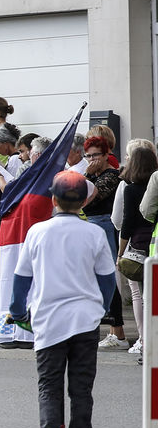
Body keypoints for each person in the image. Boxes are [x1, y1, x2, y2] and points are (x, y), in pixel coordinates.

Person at [7, 171, 116, 428]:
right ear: (83, 202)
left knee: (49, 386)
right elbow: (107, 280)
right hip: (85, 320)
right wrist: (101, 308)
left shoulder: (37, 232)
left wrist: (17, 312)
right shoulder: (94, 233)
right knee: (81, 388)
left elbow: (21, 279)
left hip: (48, 320)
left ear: (53, 200)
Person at [81, 137, 127, 350]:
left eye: (95, 155)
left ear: (106, 155)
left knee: (106, 274)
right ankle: (112, 330)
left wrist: (87, 174)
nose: (92, 160)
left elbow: (85, 198)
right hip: (91, 223)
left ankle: (118, 331)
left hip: (104, 225)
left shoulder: (111, 176)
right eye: (88, 156)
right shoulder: (93, 175)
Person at [116, 141, 157, 356]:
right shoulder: (155, 183)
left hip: (140, 245)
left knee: (141, 294)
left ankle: (145, 340)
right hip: (154, 239)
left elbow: (127, 222)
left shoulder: (130, 189)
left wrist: (120, 253)